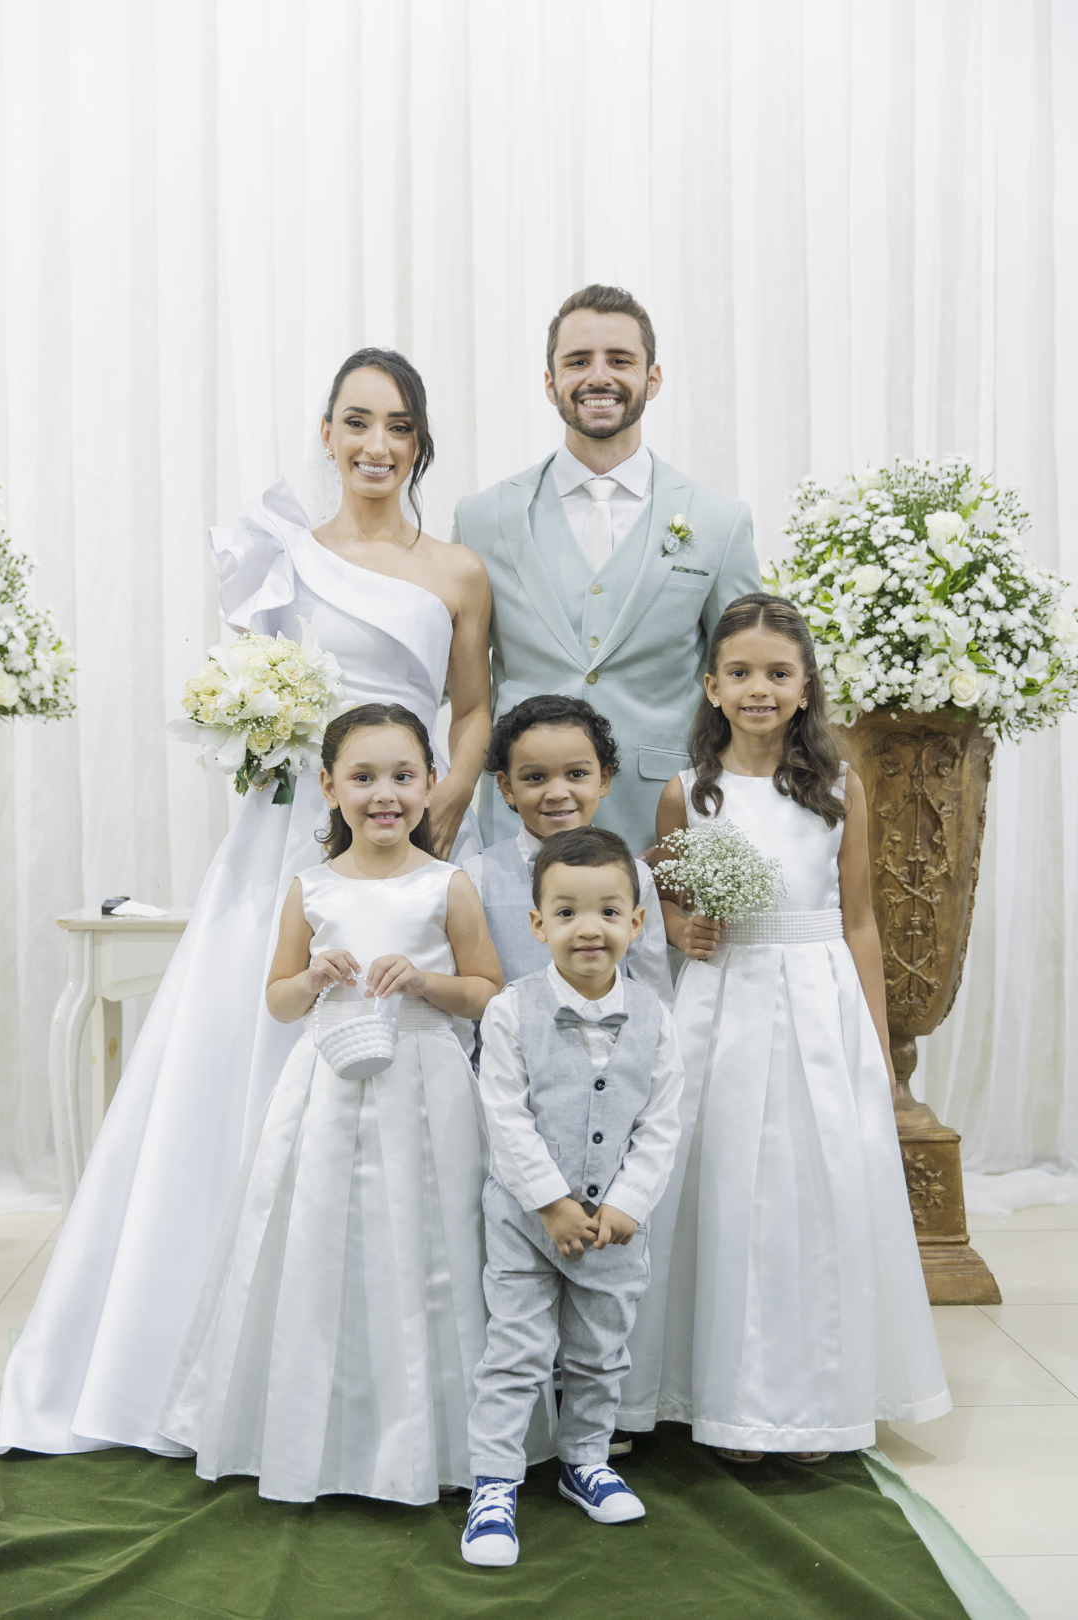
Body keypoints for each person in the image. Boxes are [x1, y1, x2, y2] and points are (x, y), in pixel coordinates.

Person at [0, 349, 492, 1460]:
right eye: (356, 422)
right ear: (326, 432)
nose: (376, 445)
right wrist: (262, 737)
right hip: (289, 834)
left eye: (398, 427)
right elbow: (248, 687)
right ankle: (199, 1354)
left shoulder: (458, 571)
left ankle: (400, 1373)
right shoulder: (280, 555)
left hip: (407, 831)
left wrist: (450, 793)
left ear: (420, 442)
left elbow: (473, 708)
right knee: (247, 1056)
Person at [617, 594, 951, 1461]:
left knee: (816, 1189)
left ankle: (815, 1402)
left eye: (777, 673)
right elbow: (672, 910)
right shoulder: (687, 794)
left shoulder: (841, 788)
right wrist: (687, 929)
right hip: (724, 1004)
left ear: (805, 688)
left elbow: (860, 921)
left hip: (816, 999)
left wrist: (876, 1046)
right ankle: (725, 1398)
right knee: (726, 1190)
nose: (758, 688)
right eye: (740, 673)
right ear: (711, 687)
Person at [161, 705, 501, 1503]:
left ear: (429, 785)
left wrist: (423, 981)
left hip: (426, 1080)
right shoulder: (309, 887)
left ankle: (433, 1437)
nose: (385, 795)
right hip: (326, 1086)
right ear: (328, 787)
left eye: (403, 777)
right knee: (320, 1236)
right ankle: (310, 1435)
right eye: (363, 777)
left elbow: (487, 992)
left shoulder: (446, 884)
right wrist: (312, 980)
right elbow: (277, 1000)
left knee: (428, 1244)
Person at [451, 283, 761, 856]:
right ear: (550, 383)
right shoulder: (481, 519)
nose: (599, 377)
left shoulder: (719, 522)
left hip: (664, 823)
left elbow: (746, 682)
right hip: (521, 824)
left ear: (653, 378)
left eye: (620, 360)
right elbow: (465, 692)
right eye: (577, 362)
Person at [460, 826, 684, 1568]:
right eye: (566, 913)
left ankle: (586, 1461)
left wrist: (627, 1206)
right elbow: (506, 1118)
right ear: (537, 925)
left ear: (636, 921)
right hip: (527, 1225)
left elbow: (661, 1124)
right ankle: (493, 1483)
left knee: (598, 1353)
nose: (589, 928)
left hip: (616, 1232)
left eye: (608, 912)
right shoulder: (509, 1012)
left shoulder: (656, 1017)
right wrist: (552, 1203)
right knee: (515, 1352)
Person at [462, 694, 672, 1004]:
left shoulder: (636, 875)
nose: (558, 793)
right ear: (507, 788)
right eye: (535, 777)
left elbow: (653, 988)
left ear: (604, 778)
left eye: (576, 774)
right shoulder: (476, 876)